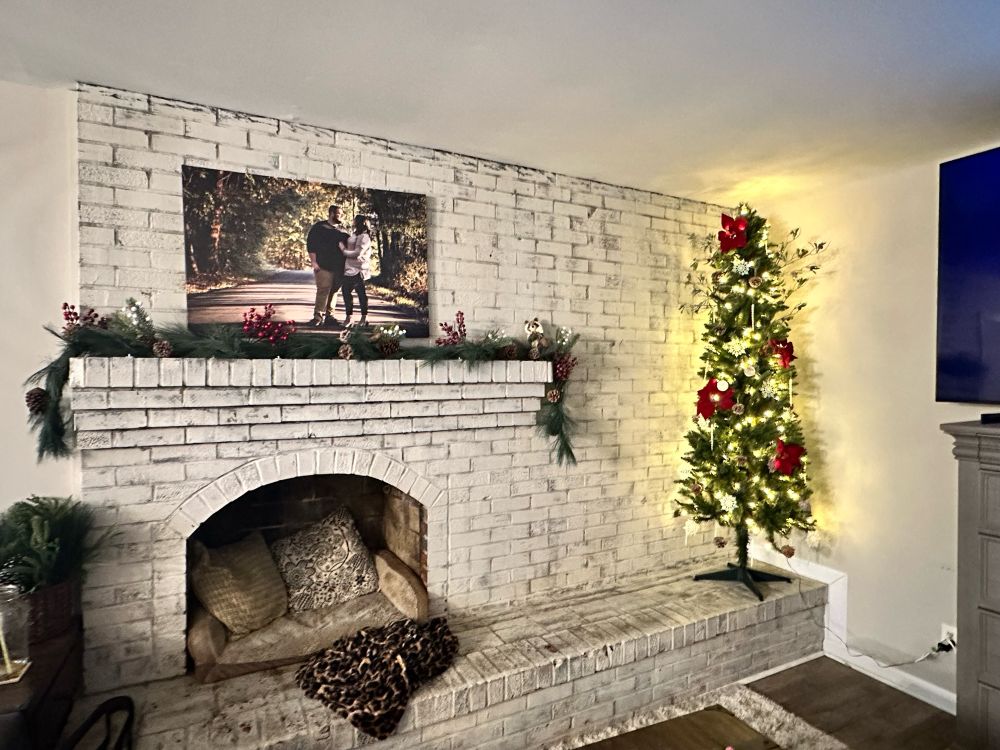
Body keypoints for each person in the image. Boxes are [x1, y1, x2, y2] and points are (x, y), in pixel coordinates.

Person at [306, 205, 349, 327]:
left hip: (339, 267)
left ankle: (330, 317)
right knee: (323, 289)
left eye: (342, 214)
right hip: (323, 265)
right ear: (331, 213)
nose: (341, 216)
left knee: (334, 291)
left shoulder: (343, 230)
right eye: (338, 214)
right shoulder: (319, 228)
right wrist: (313, 261)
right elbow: (311, 245)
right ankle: (317, 317)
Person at [340, 214, 373, 327]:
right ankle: (349, 318)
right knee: (346, 292)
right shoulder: (355, 234)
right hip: (349, 268)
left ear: (359, 223)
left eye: (355, 221)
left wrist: (343, 250)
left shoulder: (364, 237)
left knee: (361, 294)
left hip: (358, 269)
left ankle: (364, 318)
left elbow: (357, 253)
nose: (353, 222)